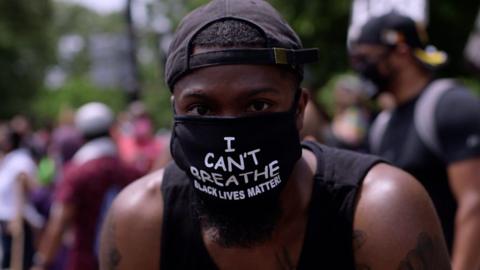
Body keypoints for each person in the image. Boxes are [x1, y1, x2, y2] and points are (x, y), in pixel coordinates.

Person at [100, 1, 450, 269]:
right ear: (175, 111)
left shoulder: (378, 209)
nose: (230, 138)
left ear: (299, 109)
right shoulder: (141, 221)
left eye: (257, 105)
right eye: (202, 110)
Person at [350, 11, 480, 270]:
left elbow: (474, 202)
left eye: (367, 57)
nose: (361, 68)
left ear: (401, 52)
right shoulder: (382, 124)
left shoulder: (451, 106)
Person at [32, 102, 142, 270]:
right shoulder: (129, 171)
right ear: (111, 130)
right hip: (124, 262)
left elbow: (59, 221)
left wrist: (42, 262)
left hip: (84, 262)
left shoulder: (76, 173)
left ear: (80, 134)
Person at [0, 126, 42, 269]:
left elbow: (23, 185)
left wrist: (17, 217)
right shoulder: (9, 159)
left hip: (17, 223)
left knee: (18, 263)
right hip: (7, 222)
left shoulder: (20, 160)